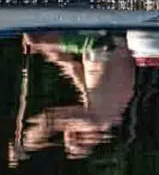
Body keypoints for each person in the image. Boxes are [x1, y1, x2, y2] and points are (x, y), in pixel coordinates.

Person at [11, 32, 136, 161]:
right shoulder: (95, 122)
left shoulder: (106, 110)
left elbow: (72, 67)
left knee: (42, 43)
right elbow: (49, 121)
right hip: (100, 42)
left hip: (112, 40)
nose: (68, 127)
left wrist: (48, 51)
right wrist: (25, 145)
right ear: (79, 136)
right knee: (36, 39)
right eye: (70, 130)